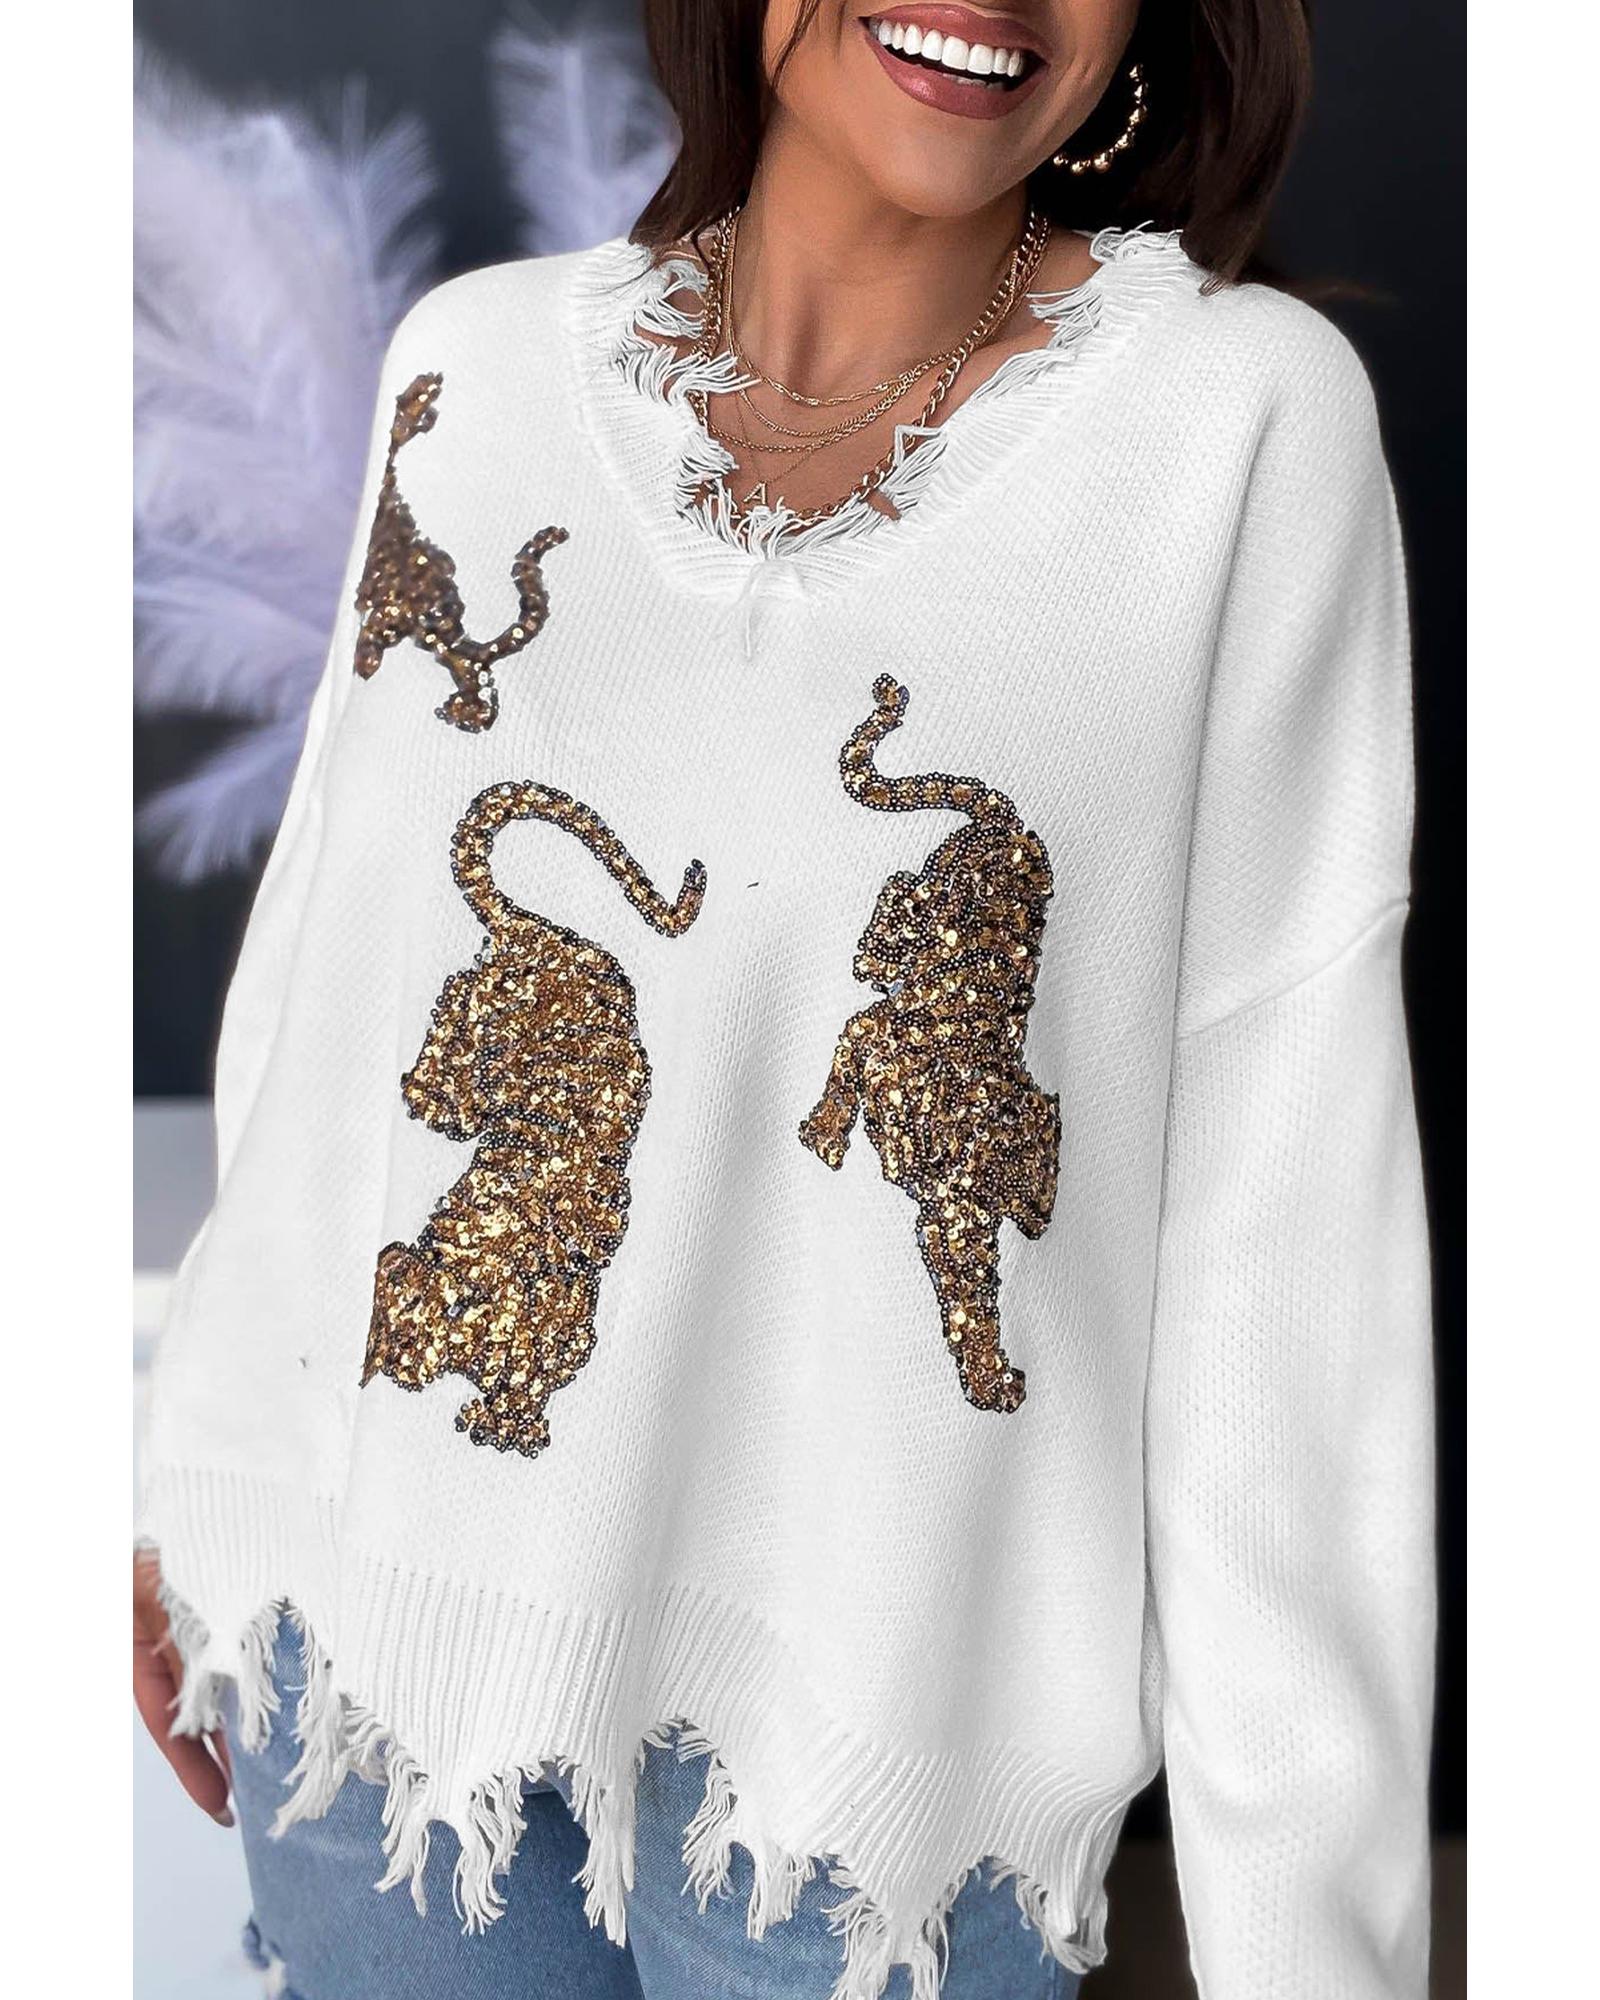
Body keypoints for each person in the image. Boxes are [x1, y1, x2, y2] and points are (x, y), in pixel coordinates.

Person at [133, 3, 1437, 1996]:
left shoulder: (1235, 430)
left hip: (862, 1774)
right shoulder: (475, 371)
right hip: (375, 1669)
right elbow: (323, 1014)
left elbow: (1284, 1238)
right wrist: (198, 1492)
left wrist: (1304, 1950)